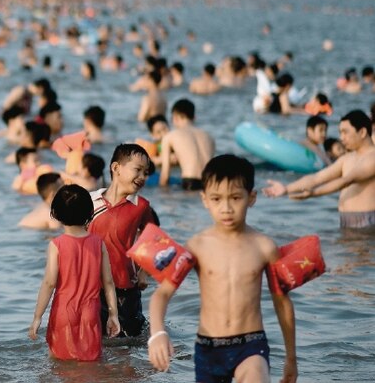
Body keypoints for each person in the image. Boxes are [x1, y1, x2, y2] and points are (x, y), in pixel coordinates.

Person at [149, 155, 297, 383]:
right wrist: (158, 333)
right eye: (216, 199)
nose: (226, 208)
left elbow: (282, 302)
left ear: (252, 197)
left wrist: (291, 358)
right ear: (204, 199)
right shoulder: (196, 246)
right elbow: (162, 294)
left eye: (236, 198)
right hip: (208, 348)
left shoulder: (264, 247)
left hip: (251, 344)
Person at [29, 184, 121, 361]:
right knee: (90, 363)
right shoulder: (98, 243)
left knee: (59, 364)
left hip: (63, 313)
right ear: (89, 212)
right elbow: (108, 282)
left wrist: (37, 317)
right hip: (91, 312)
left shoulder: (56, 245)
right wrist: (113, 315)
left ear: (55, 213)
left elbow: (49, 283)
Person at [264, 110, 375, 229]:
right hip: (346, 220)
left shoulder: (372, 157)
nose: (341, 138)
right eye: (340, 133)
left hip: (367, 223)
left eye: (345, 132)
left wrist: (313, 193)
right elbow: (318, 177)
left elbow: (346, 181)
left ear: (362, 132)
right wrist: (286, 189)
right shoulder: (347, 159)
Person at [88, 144, 155, 337]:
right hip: (93, 286)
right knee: (96, 340)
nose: (142, 176)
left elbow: (154, 240)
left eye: (146, 172)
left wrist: (143, 272)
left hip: (125, 288)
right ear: (116, 168)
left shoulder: (141, 206)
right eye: (137, 170)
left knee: (127, 341)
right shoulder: (91, 201)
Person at [160, 99, 215, 191]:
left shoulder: (170, 136)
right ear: (194, 117)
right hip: (209, 184)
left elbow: (165, 175)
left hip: (190, 183)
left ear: (175, 117)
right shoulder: (209, 137)